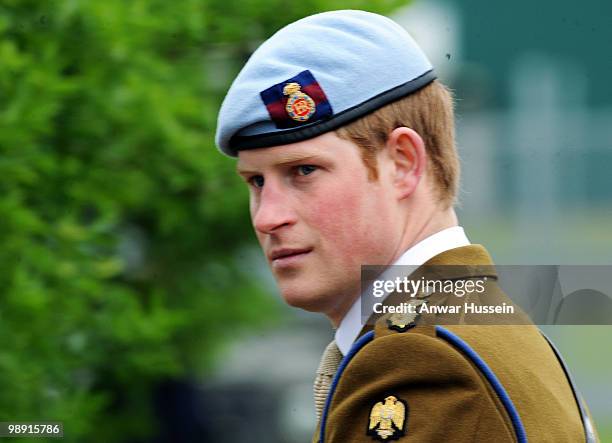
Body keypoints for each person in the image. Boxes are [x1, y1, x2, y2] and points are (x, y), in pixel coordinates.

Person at [214, 10, 598, 442]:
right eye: (257, 182)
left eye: (304, 171)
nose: (268, 216)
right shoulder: (481, 323)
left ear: (402, 164)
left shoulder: (421, 358)